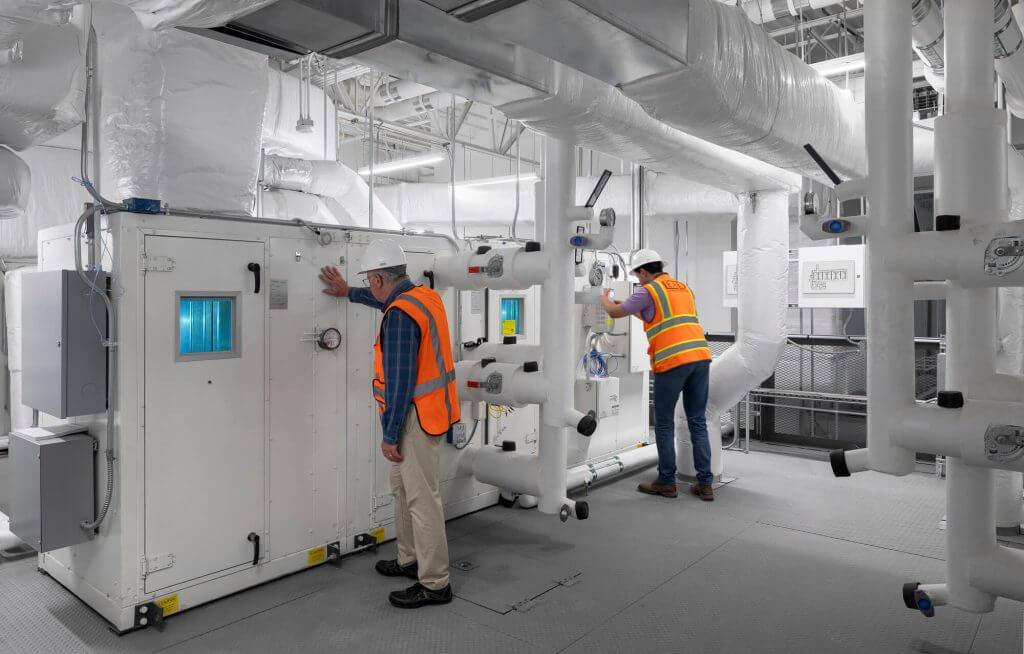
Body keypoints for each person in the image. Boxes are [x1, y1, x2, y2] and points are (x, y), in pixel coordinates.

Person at [319, 239, 460, 608]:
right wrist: (349, 292)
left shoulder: (399, 316)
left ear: (380, 278)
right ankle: (410, 560)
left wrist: (389, 434)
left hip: (413, 418)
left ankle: (435, 583)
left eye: (370, 280)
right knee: (403, 491)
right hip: (429, 412)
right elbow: (383, 299)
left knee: (421, 500)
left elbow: (399, 383)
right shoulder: (423, 297)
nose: (371, 286)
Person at [599, 249, 715, 501]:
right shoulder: (683, 288)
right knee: (697, 421)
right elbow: (660, 315)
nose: (638, 280)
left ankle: (666, 481)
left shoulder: (648, 290)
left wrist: (604, 299)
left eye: (637, 275)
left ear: (643, 271)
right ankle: (705, 484)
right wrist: (631, 307)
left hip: (673, 361)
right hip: (700, 358)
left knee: (664, 423)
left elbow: (613, 313)